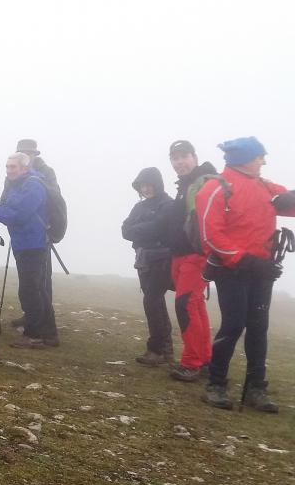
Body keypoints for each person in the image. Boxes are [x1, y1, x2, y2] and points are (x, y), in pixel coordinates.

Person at [196, 137, 293, 412]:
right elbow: (211, 236)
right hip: (233, 270)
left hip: (263, 269)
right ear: (244, 159)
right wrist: (246, 260)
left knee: (259, 328)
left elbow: (289, 204)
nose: (264, 161)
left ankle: (255, 388)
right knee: (234, 324)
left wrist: (291, 196)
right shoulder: (216, 188)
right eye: (259, 156)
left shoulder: (264, 186)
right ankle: (215, 385)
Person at [162, 140, 217, 382]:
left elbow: (202, 221)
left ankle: (192, 362)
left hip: (195, 255)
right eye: (174, 158)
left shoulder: (202, 182)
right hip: (183, 254)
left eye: (183, 156)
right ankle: (204, 359)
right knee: (194, 306)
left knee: (186, 305)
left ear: (194, 157)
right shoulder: (187, 184)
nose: (179, 162)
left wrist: (202, 251)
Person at [0, 152, 58, 349]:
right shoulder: (19, 185)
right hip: (24, 243)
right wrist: (1, 210)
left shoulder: (33, 186)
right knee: (35, 289)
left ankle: (34, 334)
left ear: (24, 168)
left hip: (34, 243)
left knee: (31, 290)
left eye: (13, 167)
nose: (9, 170)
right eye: (7, 166)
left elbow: (19, 215)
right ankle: (48, 333)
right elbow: (11, 210)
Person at [120, 167, 174, 367]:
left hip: (162, 259)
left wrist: (139, 230)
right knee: (154, 302)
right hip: (144, 259)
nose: (146, 189)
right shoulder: (139, 206)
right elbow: (125, 230)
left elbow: (158, 227)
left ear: (157, 185)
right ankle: (164, 350)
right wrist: (143, 230)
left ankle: (157, 349)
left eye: (149, 185)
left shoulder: (168, 205)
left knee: (152, 301)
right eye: (143, 186)